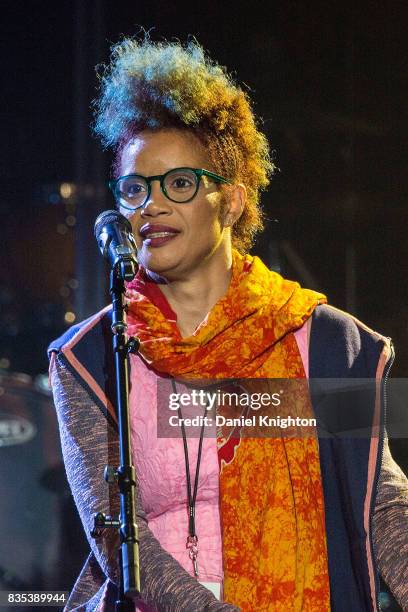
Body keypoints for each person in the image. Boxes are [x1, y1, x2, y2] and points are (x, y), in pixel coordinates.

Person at [49, 37, 408, 611]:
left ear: (233, 201)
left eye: (181, 184)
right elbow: (114, 531)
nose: (152, 206)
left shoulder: (322, 341)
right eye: (136, 188)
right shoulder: (92, 357)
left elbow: (380, 503)